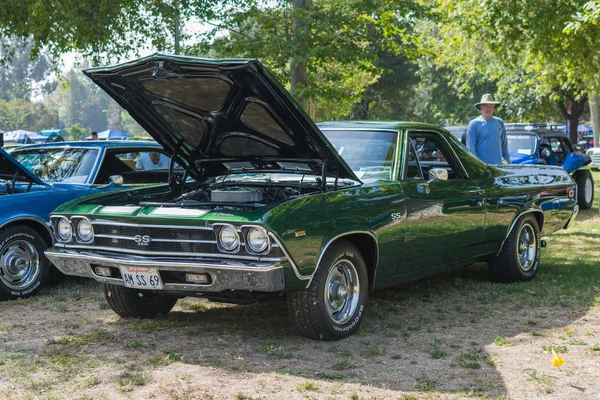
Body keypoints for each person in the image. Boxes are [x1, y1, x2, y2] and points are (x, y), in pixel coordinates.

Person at [466, 94, 510, 164]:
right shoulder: (474, 124)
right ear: (481, 107)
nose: (488, 109)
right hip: (482, 167)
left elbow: (504, 144)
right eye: (486, 106)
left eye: (491, 106)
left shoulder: (499, 122)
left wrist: (508, 160)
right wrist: (475, 165)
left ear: (493, 107)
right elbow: (470, 149)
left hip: (498, 166)